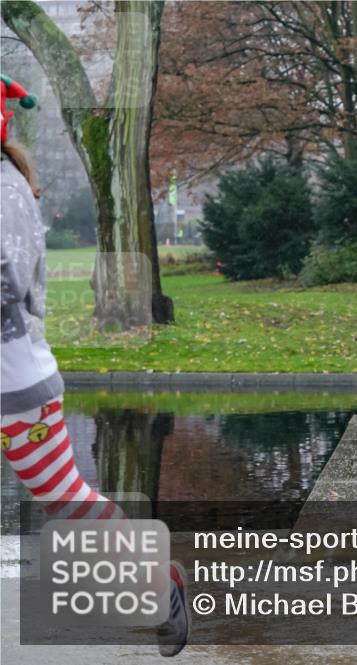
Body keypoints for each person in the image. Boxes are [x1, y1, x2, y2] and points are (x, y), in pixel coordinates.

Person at [0, 74, 189, 656]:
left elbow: (6, 283)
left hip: (16, 387)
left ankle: (161, 589)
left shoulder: (6, 190)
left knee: (70, 503)